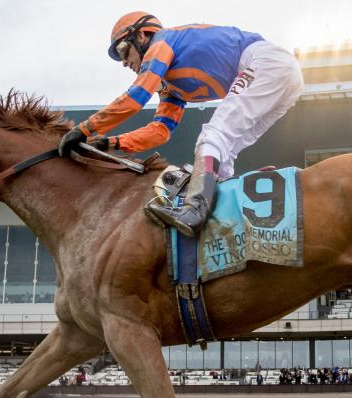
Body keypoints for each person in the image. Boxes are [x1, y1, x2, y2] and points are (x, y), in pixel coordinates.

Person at [57, 11, 304, 237]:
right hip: (282, 74)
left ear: (142, 36)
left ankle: (195, 211)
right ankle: (226, 221)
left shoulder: (161, 43)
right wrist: (112, 142)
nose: (124, 62)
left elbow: (136, 98)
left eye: (123, 50)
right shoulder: (168, 82)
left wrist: (85, 129)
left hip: (265, 62)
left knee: (212, 137)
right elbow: (161, 131)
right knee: (224, 154)